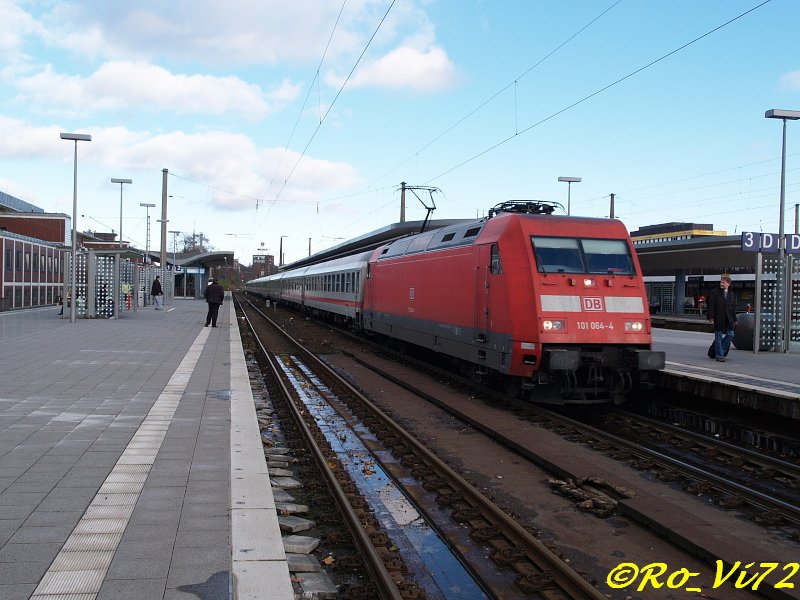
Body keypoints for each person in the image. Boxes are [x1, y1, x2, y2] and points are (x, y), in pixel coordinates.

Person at [707, 275, 737, 362]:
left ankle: (721, 350)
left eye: (723, 283)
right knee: (718, 337)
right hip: (719, 317)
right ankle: (719, 355)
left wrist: (735, 319)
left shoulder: (731, 294)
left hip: (729, 318)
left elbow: (732, 308)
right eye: (721, 282)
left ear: (728, 283)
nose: (721, 284)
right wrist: (711, 317)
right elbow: (711, 305)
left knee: (730, 334)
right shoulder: (714, 292)